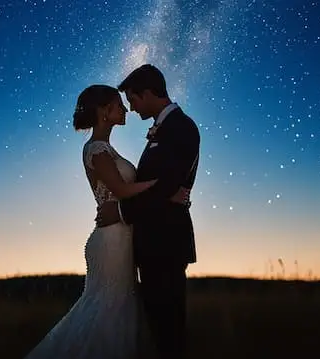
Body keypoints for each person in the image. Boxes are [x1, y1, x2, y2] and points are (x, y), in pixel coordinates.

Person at [23, 84, 189, 359]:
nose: (125, 109)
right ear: (104, 111)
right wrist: (164, 187)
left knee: (118, 307)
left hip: (121, 236)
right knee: (109, 307)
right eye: (118, 104)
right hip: (111, 239)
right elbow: (122, 191)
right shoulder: (97, 150)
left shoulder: (107, 149)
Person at [95, 64, 200, 359]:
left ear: (149, 93)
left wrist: (122, 212)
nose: (131, 107)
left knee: (168, 331)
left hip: (166, 242)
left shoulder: (181, 127)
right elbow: (160, 186)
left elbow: (166, 185)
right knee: (158, 327)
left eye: (133, 99)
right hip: (153, 241)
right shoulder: (163, 129)